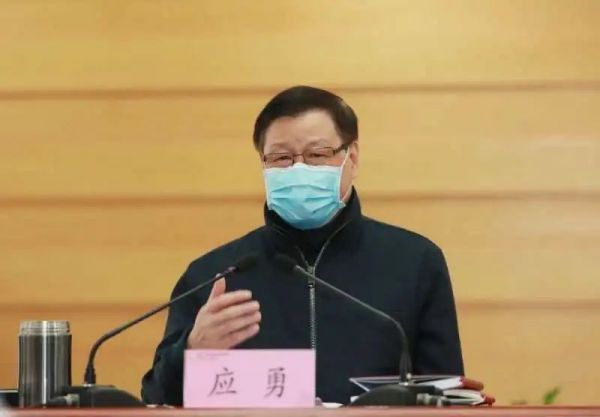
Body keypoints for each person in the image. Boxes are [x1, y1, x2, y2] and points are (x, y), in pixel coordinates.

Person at [141, 86, 463, 405]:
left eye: (317, 155)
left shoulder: (415, 263)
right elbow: (155, 398)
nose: (298, 169)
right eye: (281, 158)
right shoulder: (215, 276)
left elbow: (449, 399)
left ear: (351, 158)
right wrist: (192, 351)